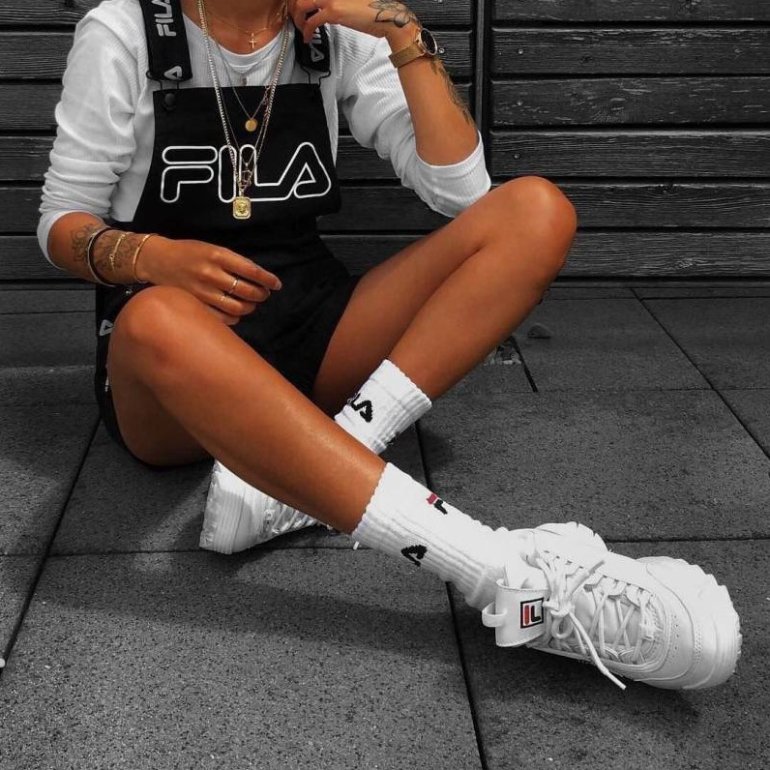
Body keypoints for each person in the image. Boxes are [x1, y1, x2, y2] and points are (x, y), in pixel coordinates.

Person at [39, 0, 741, 691]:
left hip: (311, 326)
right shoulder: (126, 31)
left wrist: (399, 31)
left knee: (536, 212)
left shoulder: (331, 33)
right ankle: (496, 571)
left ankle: (318, 465)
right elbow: (61, 220)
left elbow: (463, 193)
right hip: (175, 366)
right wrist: (152, 257)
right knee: (154, 318)